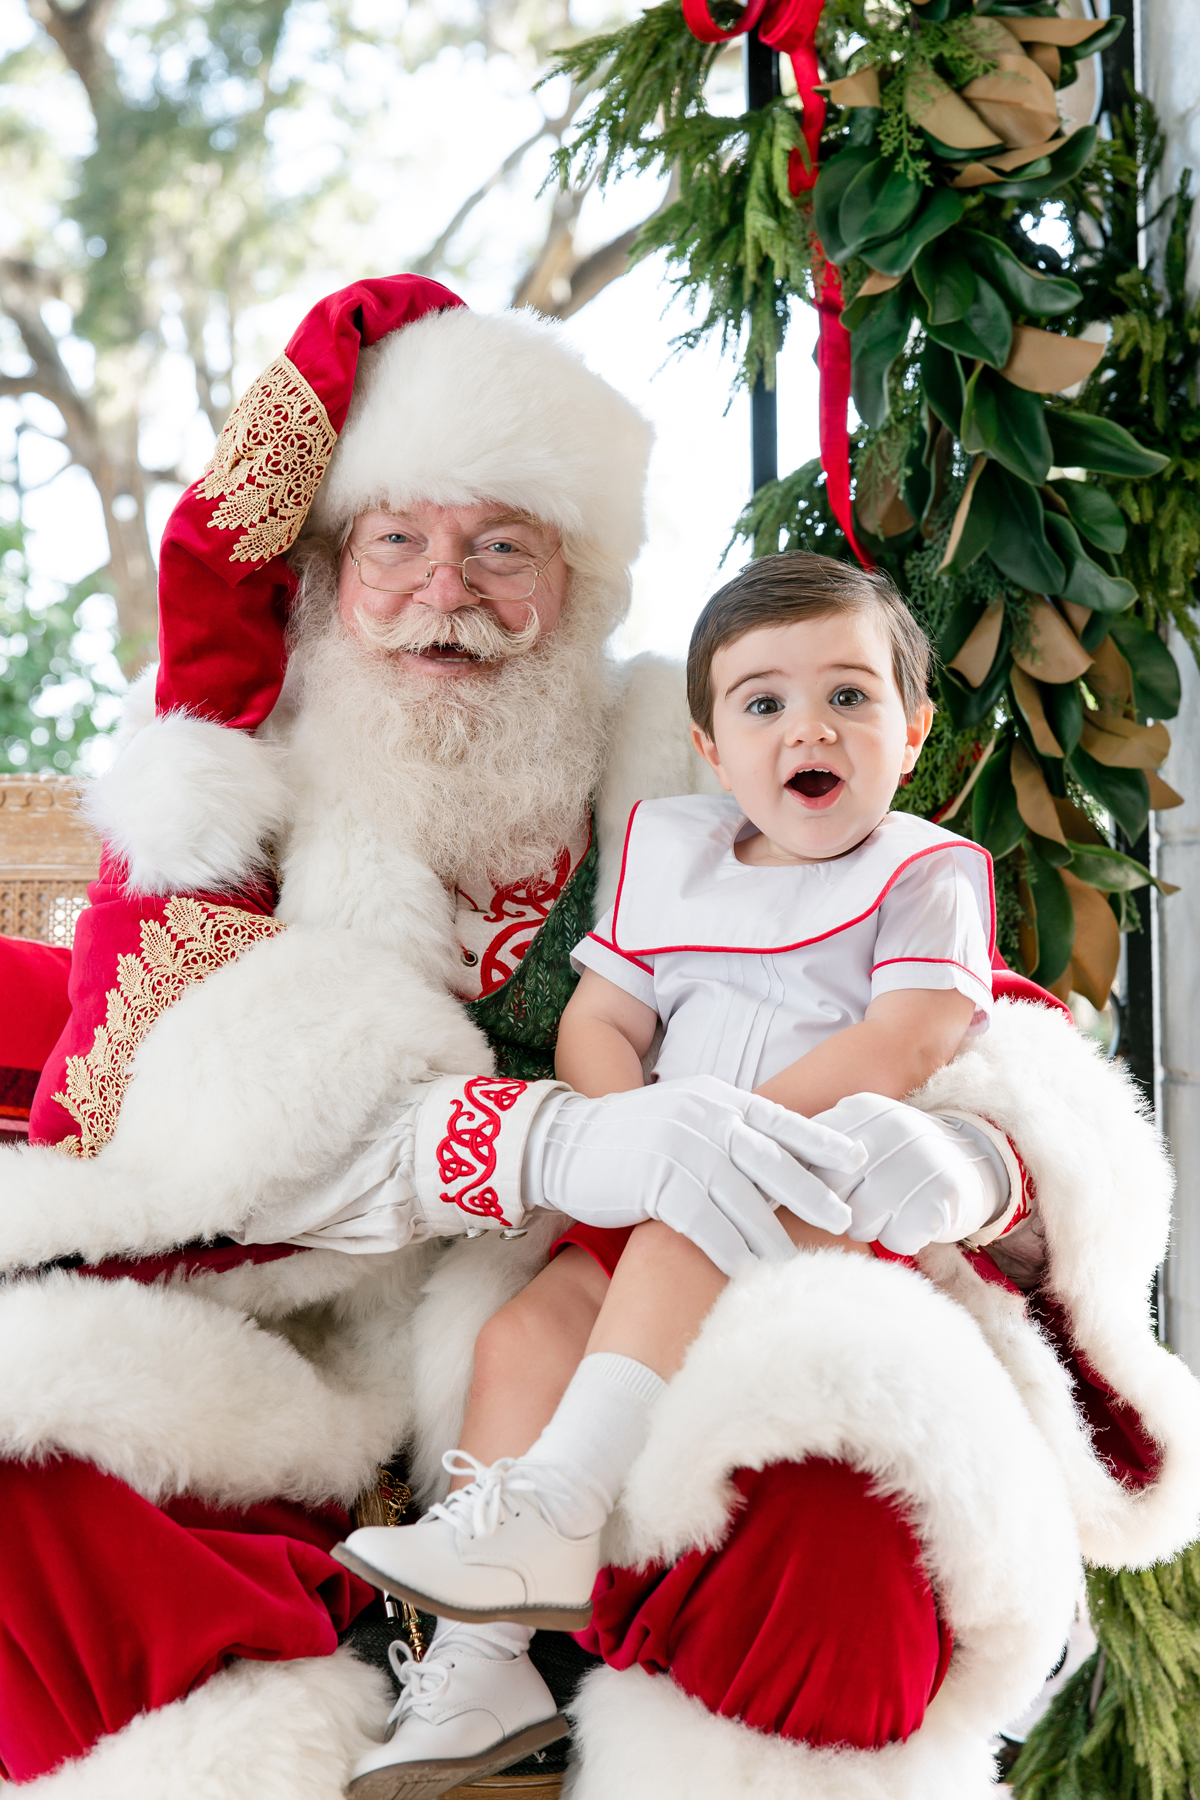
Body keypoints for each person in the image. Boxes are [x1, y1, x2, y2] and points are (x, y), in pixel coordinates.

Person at [0, 275, 1196, 1800]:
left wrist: (975, 1167)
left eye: (506, 548)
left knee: (858, 1481)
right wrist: (542, 1136)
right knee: (31, 1460)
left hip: (672, 1316)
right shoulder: (223, 810)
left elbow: (959, 1019)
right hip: (306, 1352)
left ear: (585, 583)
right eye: (399, 545)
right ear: (321, 575)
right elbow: (156, 1145)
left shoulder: (699, 767)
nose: (451, 592)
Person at [335, 553, 1027, 1787]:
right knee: (518, 1334)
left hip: (823, 1195)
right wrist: (636, 1140)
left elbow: (906, 1036)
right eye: (763, 703)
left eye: (849, 698)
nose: (806, 725)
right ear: (712, 748)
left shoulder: (925, 871)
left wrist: (731, 1132)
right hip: (666, 1181)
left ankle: (555, 1505)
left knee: (680, 1232)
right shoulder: (677, 857)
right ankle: (484, 1664)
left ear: (913, 734)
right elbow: (598, 1025)